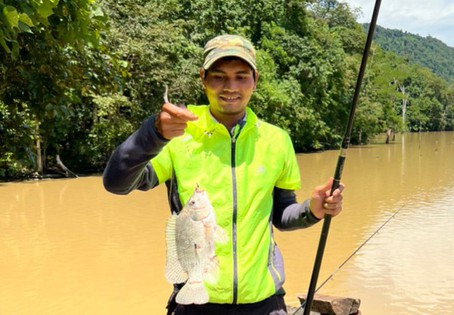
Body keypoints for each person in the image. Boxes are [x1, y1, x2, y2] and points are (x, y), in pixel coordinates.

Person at [103, 34, 344, 315]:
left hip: (264, 304)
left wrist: (312, 210)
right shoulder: (178, 132)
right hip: (195, 302)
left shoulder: (277, 140)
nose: (230, 87)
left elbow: (281, 214)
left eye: (241, 76)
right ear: (203, 78)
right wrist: (152, 134)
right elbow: (116, 183)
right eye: (219, 76)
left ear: (255, 79)